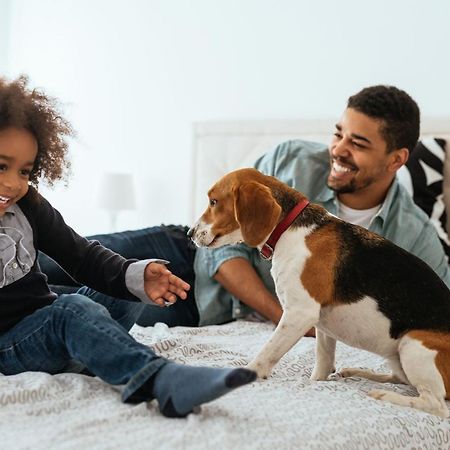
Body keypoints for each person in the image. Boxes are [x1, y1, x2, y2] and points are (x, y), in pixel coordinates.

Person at [0, 75, 256, 419]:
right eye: (2, 166)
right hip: (9, 345)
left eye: (25, 171)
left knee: (120, 291)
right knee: (70, 310)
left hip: (44, 323)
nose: (13, 183)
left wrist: (135, 276)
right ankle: (161, 380)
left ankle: (89, 349)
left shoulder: (28, 204)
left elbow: (82, 255)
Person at [124, 85, 450, 332]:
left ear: (396, 159)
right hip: (186, 251)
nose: (338, 150)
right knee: (79, 259)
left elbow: (438, 316)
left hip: (197, 307)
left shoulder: (413, 237)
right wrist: (290, 319)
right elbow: (218, 253)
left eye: (358, 144)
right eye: (339, 134)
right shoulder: (290, 160)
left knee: (93, 308)